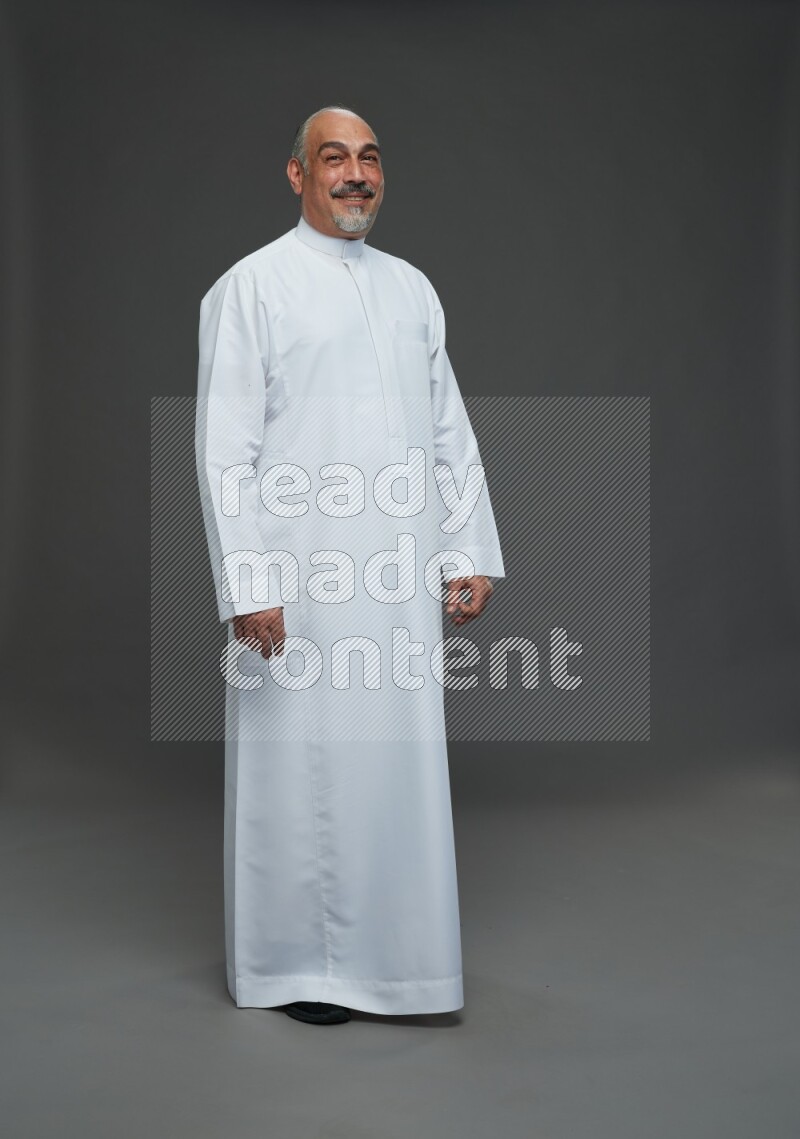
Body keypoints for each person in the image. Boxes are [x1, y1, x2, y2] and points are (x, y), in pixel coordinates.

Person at [195, 105, 505, 1025]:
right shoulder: (250, 289)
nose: (356, 175)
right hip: (304, 589)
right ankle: (304, 965)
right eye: (335, 159)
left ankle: (401, 965)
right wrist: (250, 584)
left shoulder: (412, 288)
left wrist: (468, 548)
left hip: (398, 586)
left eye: (369, 159)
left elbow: (448, 426)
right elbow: (223, 451)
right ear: (297, 175)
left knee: (396, 769)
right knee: (302, 772)